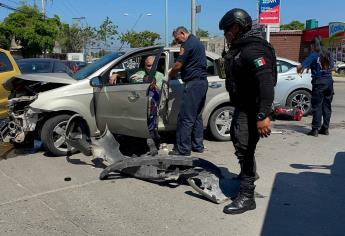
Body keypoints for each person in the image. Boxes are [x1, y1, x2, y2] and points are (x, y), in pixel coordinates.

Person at [219, 8, 276, 214]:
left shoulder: (254, 49)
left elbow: (266, 84)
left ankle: (247, 196)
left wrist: (263, 115)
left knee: (245, 146)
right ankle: (248, 173)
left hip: (253, 108)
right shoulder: (242, 47)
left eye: (226, 30)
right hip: (243, 106)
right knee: (239, 140)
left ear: (235, 27)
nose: (225, 34)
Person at [109, 56, 164, 155]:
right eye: (147, 65)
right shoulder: (139, 71)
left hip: (150, 105)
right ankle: (137, 148)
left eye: (152, 66)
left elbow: (159, 91)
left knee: (150, 128)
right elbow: (125, 73)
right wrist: (115, 74)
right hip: (135, 103)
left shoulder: (160, 75)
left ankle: (152, 148)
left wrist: (151, 83)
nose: (149, 68)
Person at [168, 26, 208, 156]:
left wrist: (169, 75)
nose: (178, 41)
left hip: (193, 84)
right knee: (196, 116)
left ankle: (183, 149)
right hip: (202, 82)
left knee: (186, 118)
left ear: (183, 33)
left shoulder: (188, 44)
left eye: (178, 38)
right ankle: (198, 145)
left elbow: (178, 65)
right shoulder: (197, 43)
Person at [297, 35, 334, 137]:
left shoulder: (314, 54)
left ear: (314, 44)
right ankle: (325, 128)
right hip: (329, 82)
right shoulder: (328, 53)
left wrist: (298, 71)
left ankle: (315, 130)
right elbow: (332, 67)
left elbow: (301, 66)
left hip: (319, 83)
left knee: (317, 106)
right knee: (327, 105)